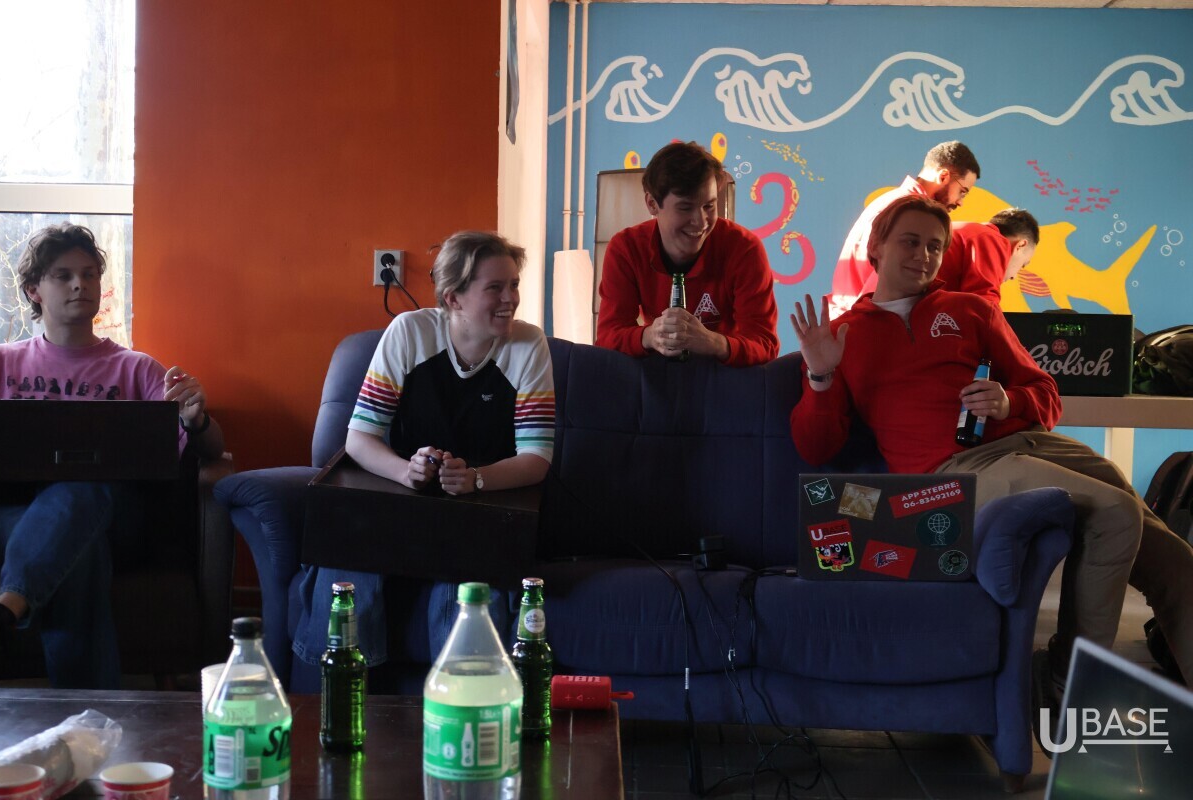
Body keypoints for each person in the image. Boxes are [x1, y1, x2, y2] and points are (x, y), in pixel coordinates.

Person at [790, 195, 1193, 737]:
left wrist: (1009, 401)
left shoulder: (971, 310)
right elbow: (816, 448)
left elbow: (1045, 393)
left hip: (1034, 445)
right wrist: (819, 376)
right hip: (954, 471)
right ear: (876, 247)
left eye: (935, 246)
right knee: (1116, 512)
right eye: (911, 242)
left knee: (1175, 559)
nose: (924, 255)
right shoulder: (843, 335)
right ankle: (1069, 681)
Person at [290, 230, 555, 691]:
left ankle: (462, 708)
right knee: (345, 570)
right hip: (398, 503)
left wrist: (475, 479)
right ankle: (334, 703)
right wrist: (406, 471)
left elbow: (536, 457)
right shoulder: (409, 333)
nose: (510, 299)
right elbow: (359, 439)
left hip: (478, 511)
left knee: (464, 594)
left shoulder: (529, 345)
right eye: (495, 288)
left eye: (514, 285)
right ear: (453, 298)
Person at [0, 223, 225, 688]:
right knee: (82, 554)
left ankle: (8, 606)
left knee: (79, 488)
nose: (79, 285)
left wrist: (195, 419)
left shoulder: (138, 370)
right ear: (34, 290)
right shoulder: (1, 364)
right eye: (63, 276)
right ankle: (89, 715)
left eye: (89, 274)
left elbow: (213, 450)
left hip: (116, 518)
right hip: (15, 517)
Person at [595, 141, 779, 367]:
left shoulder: (745, 249)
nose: (701, 221)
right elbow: (607, 338)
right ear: (652, 204)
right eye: (685, 208)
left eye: (709, 206)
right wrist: (650, 336)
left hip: (727, 379)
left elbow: (765, 345)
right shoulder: (626, 249)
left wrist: (713, 342)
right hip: (658, 377)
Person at [828, 141, 981, 317]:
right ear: (944, 176)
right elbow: (885, 285)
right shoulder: (906, 214)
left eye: (934, 247)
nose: (960, 202)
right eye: (962, 191)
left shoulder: (892, 203)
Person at [860, 207, 1037, 304]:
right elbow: (983, 306)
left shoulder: (963, 231)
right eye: (1023, 265)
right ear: (1020, 245)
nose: (1014, 276)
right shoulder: (990, 238)